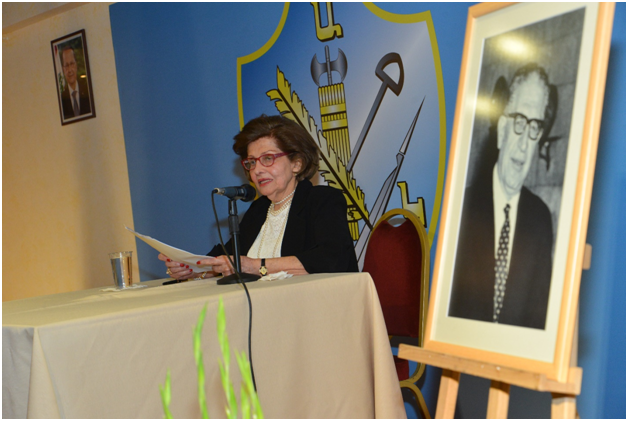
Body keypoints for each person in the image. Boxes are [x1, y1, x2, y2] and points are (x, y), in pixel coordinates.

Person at [159, 114, 358, 279]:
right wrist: (193, 268)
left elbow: (332, 259)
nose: (257, 170)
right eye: (252, 162)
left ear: (296, 163)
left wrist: (256, 266)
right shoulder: (259, 209)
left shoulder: (322, 200)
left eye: (268, 158)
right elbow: (228, 257)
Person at [448, 63, 556, 330]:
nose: (524, 144)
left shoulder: (540, 219)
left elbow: (538, 317)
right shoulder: (462, 209)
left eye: (534, 127)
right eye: (520, 122)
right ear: (502, 128)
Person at [60, 47, 91, 119]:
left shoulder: (87, 91)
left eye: (72, 64)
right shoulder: (62, 99)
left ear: (76, 65)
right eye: (66, 65)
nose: (70, 70)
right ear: (63, 69)